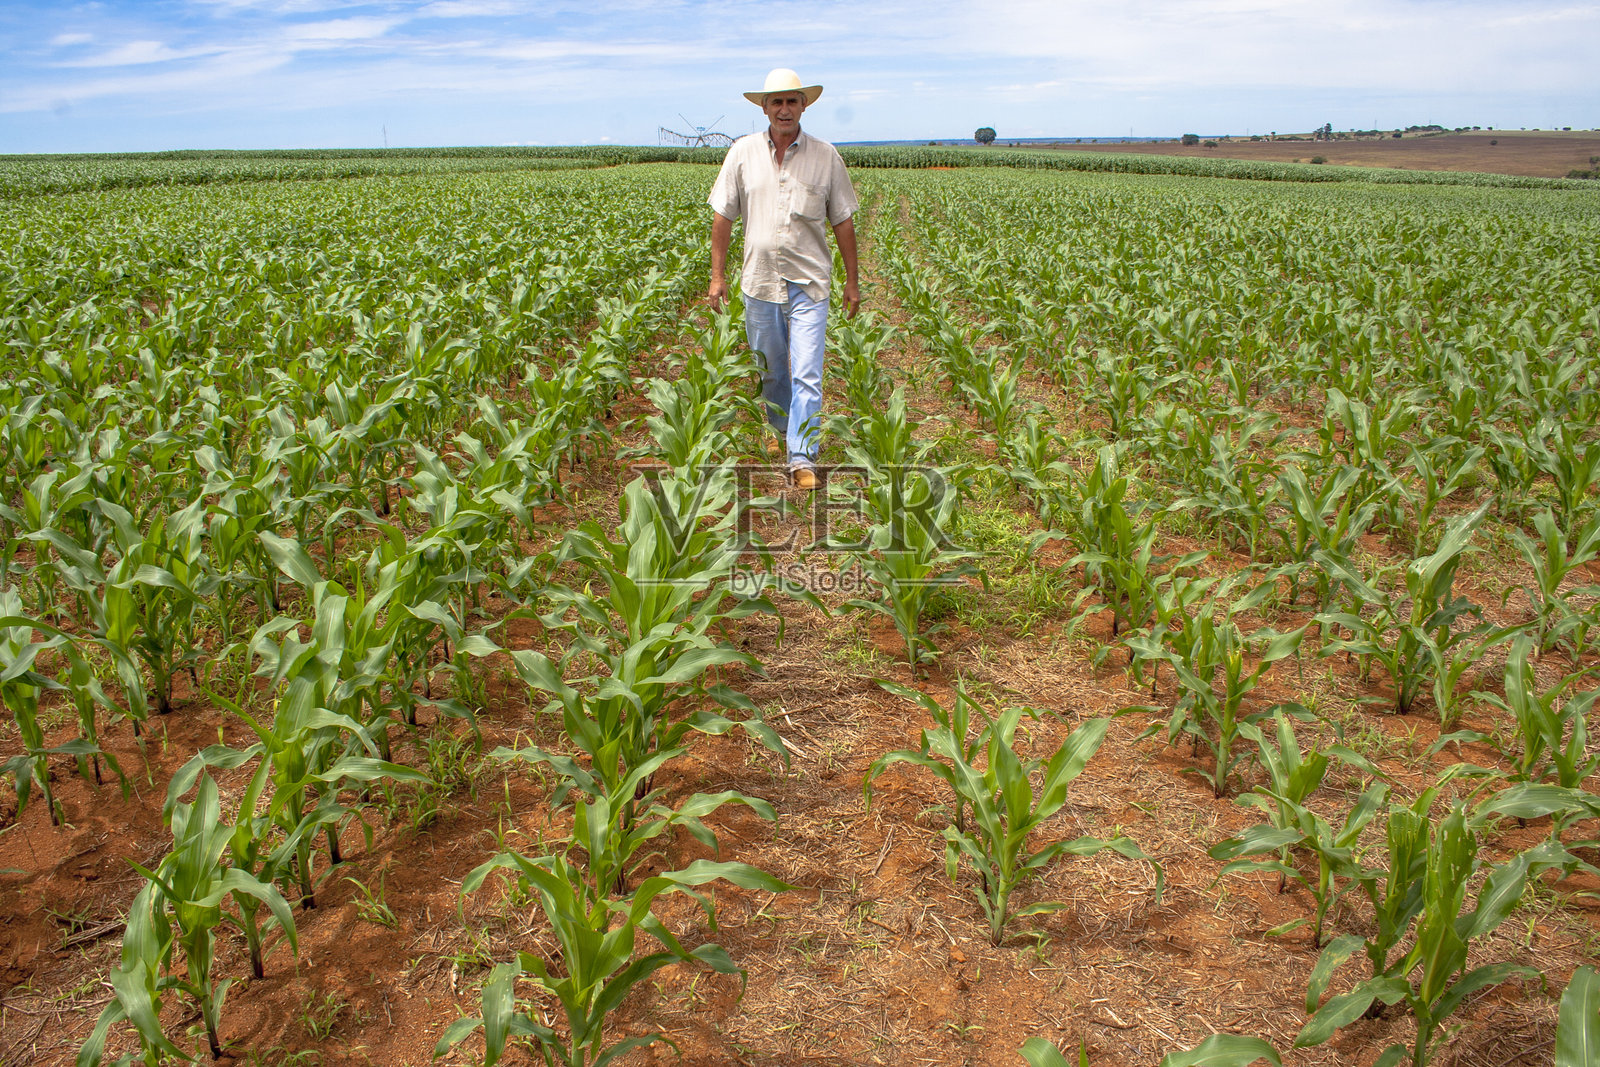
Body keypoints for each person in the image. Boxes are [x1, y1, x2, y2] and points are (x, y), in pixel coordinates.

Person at [707, 67, 861, 491]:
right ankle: (779, 431)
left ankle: (801, 455)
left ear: (804, 105)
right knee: (772, 370)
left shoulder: (826, 155)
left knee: (808, 371)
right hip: (760, 282)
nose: (784, 109)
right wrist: (717, 277)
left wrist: (852, 281)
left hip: (809, 283)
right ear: (764, 107)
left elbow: (843, 221)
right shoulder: (741, 153)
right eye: (776, 102)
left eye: (792, 101)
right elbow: (723, 216)